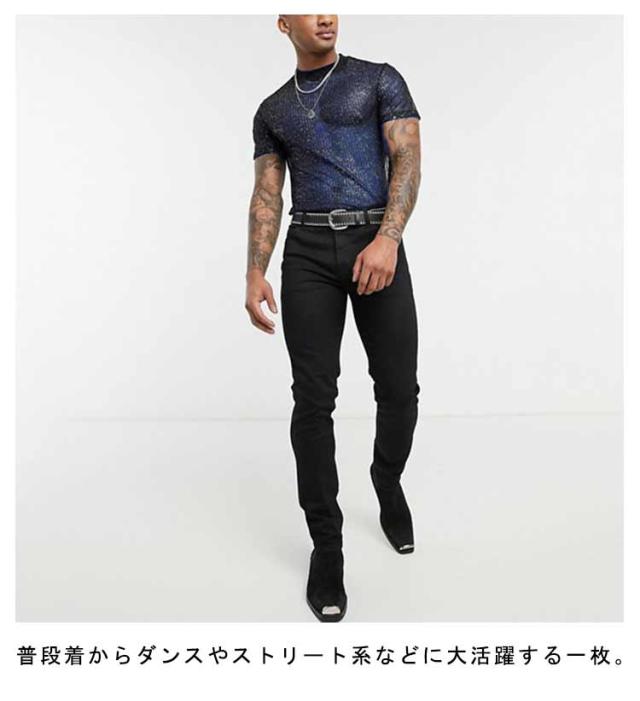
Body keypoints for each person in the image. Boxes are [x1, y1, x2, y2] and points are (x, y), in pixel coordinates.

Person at [245, 14, 422, 622]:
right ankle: (327, 544)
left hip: (376, 241)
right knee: (313, 399)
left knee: (399, 388)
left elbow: (407, 158)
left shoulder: (378, 79)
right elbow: (268, 193)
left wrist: (388, 239)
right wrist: (255, 270)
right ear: (283, 22)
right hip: (308, 252)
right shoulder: (272, 110)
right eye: (309, 5)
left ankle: (386, 478)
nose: (325, 15)